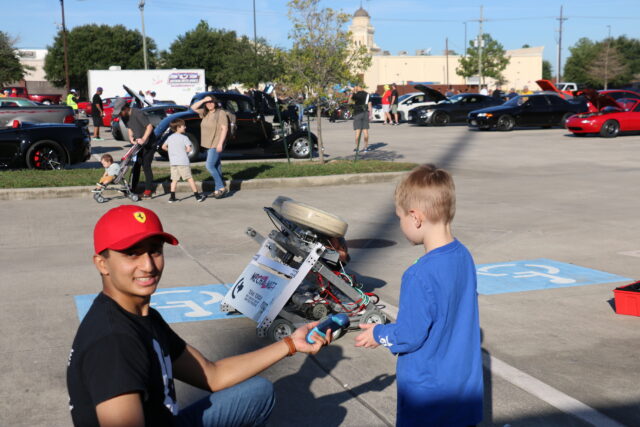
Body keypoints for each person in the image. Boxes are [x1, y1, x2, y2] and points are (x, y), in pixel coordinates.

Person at [67, 205, 332, 427]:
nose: (148, 265)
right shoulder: (114, 342)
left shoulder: (142, 315)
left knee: (258, 393)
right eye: (131, 253)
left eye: (154, 250)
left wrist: (290, 344)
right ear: (102, 263)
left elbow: (212, 374)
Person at [355, 164, 483, 427]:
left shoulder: (419, 275)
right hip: (463, 393)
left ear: (416, 217)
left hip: (428, 398)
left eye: (399, 217)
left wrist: (378, 334)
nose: (401, 224)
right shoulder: (463, 256)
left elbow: (410, 335)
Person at [113, 98, 156, 198]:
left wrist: (144, 138)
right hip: (138, 144)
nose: (120, 114)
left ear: (125, 108)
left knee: (146, 165)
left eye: (120, 112)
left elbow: (149, 127)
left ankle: (148, 191)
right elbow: (130, 128)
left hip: (149, 143)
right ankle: (132, 188)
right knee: (136, 165)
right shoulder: (124, 116)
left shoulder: (137, 113)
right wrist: (131, 137)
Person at [190, 95, 229, 199]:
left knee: (209, 165)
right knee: (216, 166)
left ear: (215, 103)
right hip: (208, 143)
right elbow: (192, 108)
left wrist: (220, 143)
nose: (209, 104)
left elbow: (224, 128)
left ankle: (221, 187)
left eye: (211, 102)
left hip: (216, 143)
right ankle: (217, 190)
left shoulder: (220, 113)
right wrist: (203, 100)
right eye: (207, 103)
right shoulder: (205, 113)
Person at [161, 118, 204, 203]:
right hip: (183, 162)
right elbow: (189, 149)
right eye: (183, 126)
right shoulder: (184, 138)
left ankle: (172, 197)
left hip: (173, 162)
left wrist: (171, 150)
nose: (185, 127)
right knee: (189, 178)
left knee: (174, 179)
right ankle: (197, 196)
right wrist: (184, 150)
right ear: (178, 127)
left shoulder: (170, 137)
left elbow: (163, 147)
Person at [348, 85, 372, 152]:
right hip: (365, 113)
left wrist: (352, 92)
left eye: (356, 87)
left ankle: (357, 148)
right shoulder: (367, 94)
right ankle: (366, 148)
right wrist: (370, 115)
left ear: (358, 87)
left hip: (357, 113)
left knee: (357, 132)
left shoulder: (356, 95)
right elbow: (370, 105)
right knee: (365, 131)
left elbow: (349, 102)